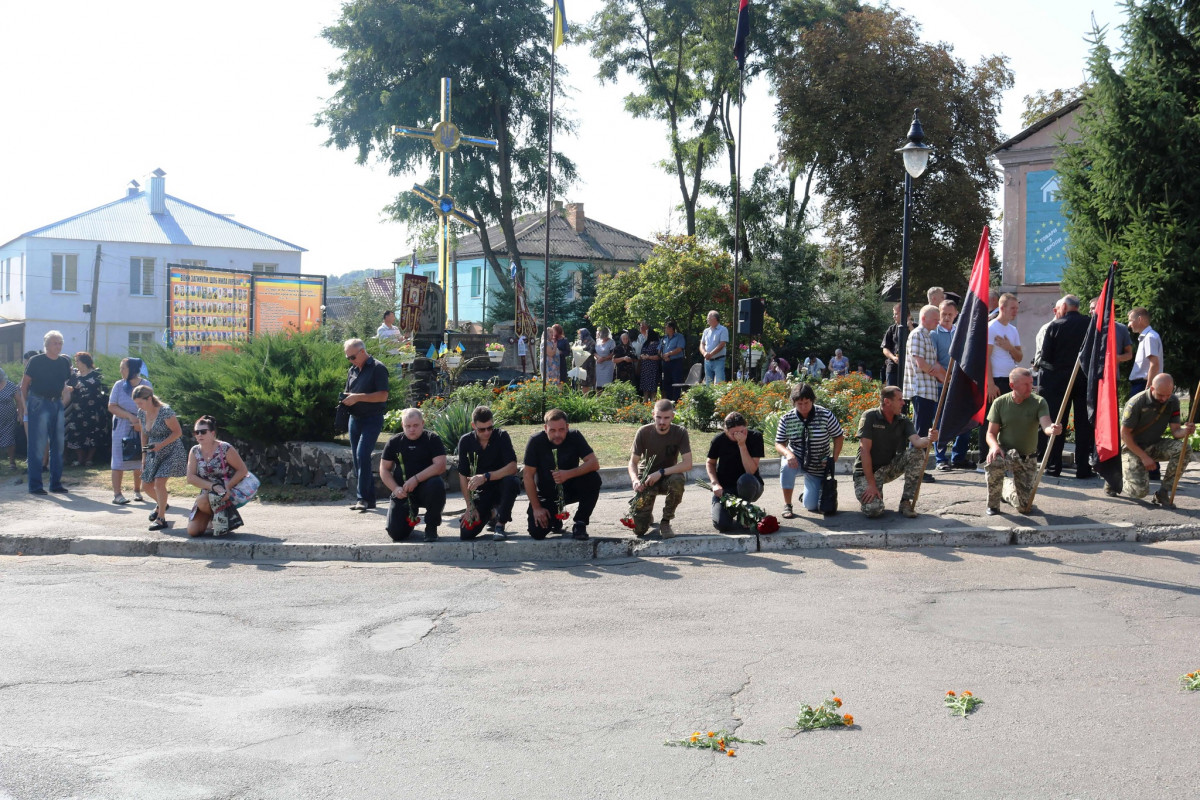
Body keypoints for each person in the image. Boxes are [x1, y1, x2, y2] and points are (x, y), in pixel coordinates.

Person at [983, 368, 1061, 515]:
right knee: (994, 461)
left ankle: (1005, 487)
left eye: (1031, 383)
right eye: (1025, 384)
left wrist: (1053, 429)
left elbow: (1046, 426)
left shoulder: (1039, 402)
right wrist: (994, 447)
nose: (1030, 387)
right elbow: (991, 433)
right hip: (1006, 452)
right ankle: (993, 505)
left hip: (1027, 458)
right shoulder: (1000, 403)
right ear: (1012, 386)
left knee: (1024, 507)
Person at [853, 385, 938, 518]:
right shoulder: (870, 416)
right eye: (899, 399)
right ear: (887, 402)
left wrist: (929, 438)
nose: (903, 403)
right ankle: (872, 495)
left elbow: (917, 442)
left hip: (888, 468)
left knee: (916, 453)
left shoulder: (902, 420)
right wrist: (871, 484)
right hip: (866, 473)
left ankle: (905, 502)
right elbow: (865, 452)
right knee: (874, 510)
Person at [1038, 295, 1095, 479]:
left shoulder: (1055, 326)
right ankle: (1083, 468)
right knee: (1083, 425)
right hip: (1084, 378)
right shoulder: (1090, 324)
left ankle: (1054, 467)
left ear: (1063, 306)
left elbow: (1046, 356)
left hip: (1057, 381)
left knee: (1057, 423)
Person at [1115, 374, 1194, 508]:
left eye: (1168, 395)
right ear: (1152, 388)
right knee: (1139, 492)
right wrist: (1144, 457)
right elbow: (1124, 434)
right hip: (1132, 448)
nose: (1164, 399)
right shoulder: (1137, 402)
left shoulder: (1173, 401)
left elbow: (1175, 431)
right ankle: (1115, 480)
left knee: (1184, 449)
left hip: (1154, 444)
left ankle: (1163, 492)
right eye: (1161, 395)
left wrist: (1186, 431)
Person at [523, 409, 602, 540]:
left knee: (593, 479)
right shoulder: (536, 441)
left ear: (567, 427)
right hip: (548, 494)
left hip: (571, 487)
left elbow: (594, 463)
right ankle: (555, 519)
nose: (557, 435)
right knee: (536, 532)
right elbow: (527, 476)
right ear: (545, 428)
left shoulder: (575, 436)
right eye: (552, 430)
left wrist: (568, 474)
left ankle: (580, 522)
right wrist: (536, 507)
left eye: (561, 430)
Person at [775, 383, 844, 516]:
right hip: (796, 458)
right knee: (786, 467)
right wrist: (788, 454)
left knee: (811, 506)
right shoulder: (787, 418)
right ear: (793, 402)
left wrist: (833, 458)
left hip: (818, 463)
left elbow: (838, 436)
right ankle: (787, 505)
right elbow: (779, 443)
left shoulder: (825, 415)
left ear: (812, 400)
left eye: (806, 403)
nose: (803, 407)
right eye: (799, 403)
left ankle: (806, 494)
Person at [628, 399, 693, 538]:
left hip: (667, 477)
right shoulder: (643, 432)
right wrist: (635, 480)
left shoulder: (680, 432)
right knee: (639, 531)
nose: (662, 422)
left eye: (666, 418)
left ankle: (665, 521)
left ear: (673, 417)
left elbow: (687, 464)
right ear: (653, 415)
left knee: (678, 480)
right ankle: (647, 513)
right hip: (646, 480)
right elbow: (633, 462)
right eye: (658, 417)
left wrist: (661, 472)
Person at [379, 408, 447, 542]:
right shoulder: (394, 442)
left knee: (437, 484)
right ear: (402, 425)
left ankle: (431, 527)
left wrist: (416, 479)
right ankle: (409, 521)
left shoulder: (432, 439)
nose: (411, 429)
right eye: (407, 426)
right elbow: (384, 469)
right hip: (403, 492)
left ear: (422, 423)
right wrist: (395, 489)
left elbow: (440, 466)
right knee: (396, 535)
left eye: (415, 425)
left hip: (426, 489)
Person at [456, 405, 521, 541]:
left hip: (501, 487)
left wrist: (486, 477)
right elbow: (462, 475)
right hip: (482, 494)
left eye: (490, 427)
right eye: (482, 429)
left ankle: (500, 524)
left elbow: (513, 467)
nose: (487, 432)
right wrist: (470, 506)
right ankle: (492, 514)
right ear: (473, 425)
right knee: (466, 533)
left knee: (512, 482)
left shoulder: (502, 436)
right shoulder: (466, 441)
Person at [185, 415, 256, 537]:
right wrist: (213, 486)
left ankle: (224, 516)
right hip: (209, 492)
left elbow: (242, 470)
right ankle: (216, 517)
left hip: (227, 492)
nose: (199, 435)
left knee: (202, 500)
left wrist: (228, 487)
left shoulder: (225, 448)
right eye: (196, 432)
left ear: (212, 433)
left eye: (203, 431)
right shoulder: (195, 450)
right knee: (193, 531)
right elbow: (190, 477)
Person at [20, 330, 72, 495]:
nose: (58, 346)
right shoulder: (36, 361)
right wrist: (25, 406)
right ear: (47, 345)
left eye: (60, 343)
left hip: (56, 403)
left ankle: (55, 484)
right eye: (55, 343)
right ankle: (35, 486)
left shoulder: (64, 362)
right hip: (38, 402)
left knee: (58, 445)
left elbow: (64, 384)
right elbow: (24, 385)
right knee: (37, 445)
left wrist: (63, 401)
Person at [341, 338, 390, 512]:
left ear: (362, 352)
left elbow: (383, 396)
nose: (350, 360)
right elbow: (350, 392)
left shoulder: (378, 368)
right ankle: (370, 499)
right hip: (354, 419)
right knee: (357, 458)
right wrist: (346, 398)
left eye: (352, 356)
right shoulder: (352, 369)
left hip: (372, 418)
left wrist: (358, 397)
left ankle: (362, 498)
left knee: (363, 455)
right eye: (348, 357)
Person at [134, 385, 187, 530]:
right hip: (153, 451)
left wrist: (161, 444)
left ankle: (161, 518)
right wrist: (143, 455)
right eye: (136, 403)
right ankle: (162, 504)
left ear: (149, 398)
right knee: (145, 486)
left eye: (140, 402)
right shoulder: (141, 413)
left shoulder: (165, 411)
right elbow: (144, 434)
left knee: (159, 484)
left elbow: (178, 432)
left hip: (171, 450)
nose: (138, 406)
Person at [932, 300, 973, 471]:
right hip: (941, 384)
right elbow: (933, 361)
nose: (947, 317)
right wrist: (947, 378)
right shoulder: (934, 334)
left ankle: (959, 457)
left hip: (960, 385)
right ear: (939, 314)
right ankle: (940, 459)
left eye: (950, 314)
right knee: (940, 423)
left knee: (965, 421)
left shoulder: (961, 333)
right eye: (944, 314)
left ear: (956, 314)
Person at [707, 411, 765, 532]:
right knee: (722, 525)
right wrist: (715, 483)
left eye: (742, 431)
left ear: (746, 426)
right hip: (726, 489)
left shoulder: (755, 437)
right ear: (726, 430)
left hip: (751, 485)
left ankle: (744, 514)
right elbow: (710, 463)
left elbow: (751, 470)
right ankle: (731, 513)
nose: (739, 435)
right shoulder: (719, 440)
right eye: (734, 433)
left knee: (746, 479)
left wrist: (742, 445)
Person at [108, 357, 150, 504]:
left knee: (139, 456)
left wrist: (141, 423)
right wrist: (129, 416)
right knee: (118, 458)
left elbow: (151, 406)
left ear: (132, 369)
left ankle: (137, 490)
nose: (121, 371)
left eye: (123, 368)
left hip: (141, 425)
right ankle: (117, 494)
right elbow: (112, 406)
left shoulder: (145, 385)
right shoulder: (119, 385)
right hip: (122, 425)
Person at [64, 352, 108, 467]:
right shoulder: (75, 376)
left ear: (84, 361)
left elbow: (104, 389)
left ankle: (89, 458)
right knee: (76, 433)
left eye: (78, 361)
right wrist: (71, 389)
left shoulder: (96, 374)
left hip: (95, 409)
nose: (76, 363)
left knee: (94, 433)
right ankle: (80, 458)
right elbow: (70, 389)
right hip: (79, 409)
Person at [987, 293, 1022, 400]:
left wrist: (1010, 347)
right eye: (1012, 308)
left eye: (1016, 308)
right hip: (996, 379)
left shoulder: (1013, 330)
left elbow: (1019, 357)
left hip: (1011, 379)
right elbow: (985, 358)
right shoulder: (991, 328)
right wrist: (990, 384)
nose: (1015, 311)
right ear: (1002, 308)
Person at [1127, 307, 1162, 395]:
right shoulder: (1147, 337)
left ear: (1140, 319)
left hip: (1143, 385)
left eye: (1131, 320)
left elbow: (1154, 364)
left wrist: (1149, 386)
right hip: (1141, 384)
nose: (1129, 324)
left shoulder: (1149, 337)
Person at [0, 367, 24, 472]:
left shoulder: (9, 385)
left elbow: (18, 400)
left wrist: (20, 414)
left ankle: (12, 462)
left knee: (9, 438)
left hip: (9, 418)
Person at [699, 310, 729, 384]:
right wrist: (704, 353)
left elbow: (722, 344)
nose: (707, 319)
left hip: (718, 360)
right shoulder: (706, 331)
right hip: (707, 361)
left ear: (715, 319)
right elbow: (702, 344)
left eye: (709, 317)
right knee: (708, 384)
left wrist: (710, 354)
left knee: (719, 384)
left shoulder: (723, 329)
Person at [659, 320, 687, 401]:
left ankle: (676, 400)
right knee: (667, 381)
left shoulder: (679, 337)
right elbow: (659, 350)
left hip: (676, 362)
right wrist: (664, 357)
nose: (665, 329)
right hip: (666, 362)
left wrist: (669, 354)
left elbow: (679, 349)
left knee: (676, 381)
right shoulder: (664, 338)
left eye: (666, 327)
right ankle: (669, 400)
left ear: (671, 328)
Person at [881, 303, 906, 387]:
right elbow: (885, 348)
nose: (893, 316)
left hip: (908, 368)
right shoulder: (892, 329)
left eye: (896, 314)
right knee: (891, 393)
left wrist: (909, 325)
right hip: (893, 367)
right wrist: (893, 357)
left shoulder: (914, 327)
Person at [639, 330, 661, 400]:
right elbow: (642, 352)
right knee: (645, 388)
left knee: (652, 387)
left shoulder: (657, 343)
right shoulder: (646, 343)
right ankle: (645, 403)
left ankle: (652, 403)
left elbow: (658, 356)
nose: (645, 335)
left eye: (647, 333)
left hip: (653, 367)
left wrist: (648, 357)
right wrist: (642, 356)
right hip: (645, 368)